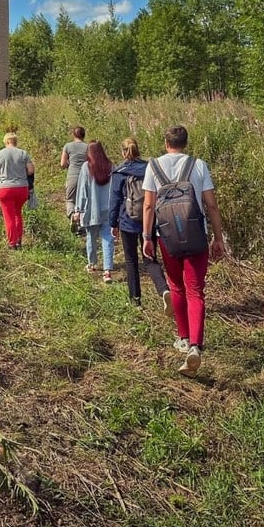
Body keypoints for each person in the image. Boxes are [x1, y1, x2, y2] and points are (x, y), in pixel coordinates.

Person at [142, 125, 226, 377]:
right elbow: (211, 204)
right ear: (186, 143)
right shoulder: (198, 165)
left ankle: (183, 336)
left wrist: (147, 237)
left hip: (167, 237)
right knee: (195, 290)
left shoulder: (153, 166)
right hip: (196, 236)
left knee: (176, 287)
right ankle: (195, 346)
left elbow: (148, 205)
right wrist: (218, 238)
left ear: (166, 142)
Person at [108, 137, 171, 312]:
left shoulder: (120, 172)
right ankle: (164, 289)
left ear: (123, 152)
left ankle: (135, 300)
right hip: (148, 221)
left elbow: (114, 201)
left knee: (131, 261)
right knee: (150, 258)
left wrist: (113, 224)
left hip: (127, 221)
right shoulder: (150, 168)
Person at [74, 141, 115, 282]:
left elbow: (82, 190)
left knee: (91, 238)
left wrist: (78, 209)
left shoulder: (87, 167)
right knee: (108, 239)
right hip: (108, 209)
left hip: (92, 210)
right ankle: (107, 271)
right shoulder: (110, 165)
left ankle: (92, 265)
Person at [0, 132, 35, 250]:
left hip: (5, 189)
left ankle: (12, 243)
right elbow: (31, 170)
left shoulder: (0, 154)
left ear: (5, 141)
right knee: (17, 213)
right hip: (22, 189)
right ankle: (19, 241)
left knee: (8, 216)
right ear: (15, 141)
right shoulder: (23, 153)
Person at [60, 126, 88, 219]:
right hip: (86, 177)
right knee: (84, 200)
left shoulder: (68, 146)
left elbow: (63, 163)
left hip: (72, 176)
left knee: (70, 200)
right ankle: (82, 221)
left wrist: (70, 165)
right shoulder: (88, 147)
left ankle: (72, 216)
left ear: (73, 135)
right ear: (84, 135)